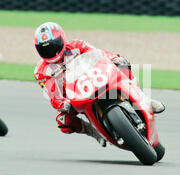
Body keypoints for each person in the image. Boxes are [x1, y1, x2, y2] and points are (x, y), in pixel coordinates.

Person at [33, 22, 165, 147]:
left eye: (53, 46)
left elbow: (100, 55)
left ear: (62, 39)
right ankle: (93, 132)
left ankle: (143, 99)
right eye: (45, 49)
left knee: (122, 66)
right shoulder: (41, 72)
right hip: (73, 97)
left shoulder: (77, 45)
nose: (51, 51)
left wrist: (114, 59)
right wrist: (64, 104)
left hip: (95, 78)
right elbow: (53, 95)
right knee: (63, 122)